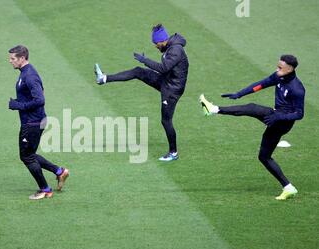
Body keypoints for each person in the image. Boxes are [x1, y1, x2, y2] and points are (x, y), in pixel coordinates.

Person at [199, 55, 305, 200]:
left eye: (280, 67)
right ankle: (288, 187)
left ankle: (214, 109)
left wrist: (278, 117)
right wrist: (239, 94)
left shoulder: (297, 89)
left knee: (252, 109)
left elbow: (299, 114)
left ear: (290, 69)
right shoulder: (279, 77)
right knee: (264, 156)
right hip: (274, 117)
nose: (276, 69)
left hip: (281, 123)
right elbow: (261, 84)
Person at [94, 24, 189, 161]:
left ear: (163, 41)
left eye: (156, 44)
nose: (156, 46)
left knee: (166, 121)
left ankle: (173, 153)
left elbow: (163, 68)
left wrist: (145, 60)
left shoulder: (176, 50)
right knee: (138, 72)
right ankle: (103, 78)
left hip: (172, 90)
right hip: (166, 82)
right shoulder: (171, 47)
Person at [8, 45, 69, 200]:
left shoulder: (29, 75)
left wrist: (18, 105)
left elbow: (40, 100)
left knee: (27, 157)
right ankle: (59, 172)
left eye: (13, 58)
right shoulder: (26, 73)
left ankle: (45, 189)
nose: (10, 61)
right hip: (33, 120)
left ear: (22, 58)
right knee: (29, 154)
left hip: (32, 123)